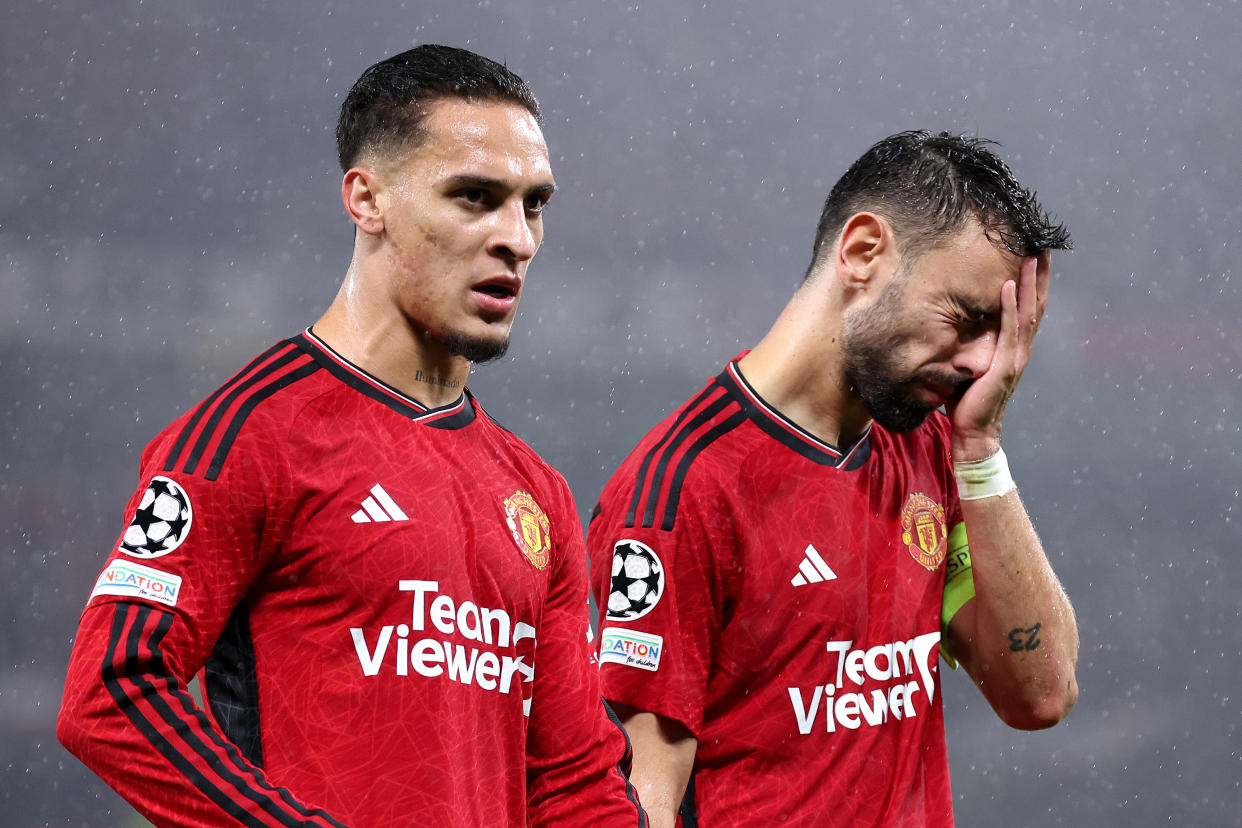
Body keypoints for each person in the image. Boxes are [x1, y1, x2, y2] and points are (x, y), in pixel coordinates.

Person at [57, 44, 647, 828]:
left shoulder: (535, 492)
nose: (518, 237)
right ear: (366, 200)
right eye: (474, 198)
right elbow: (114, 690)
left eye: (532, 204)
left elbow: (576, 786)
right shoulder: (251, 433)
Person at [587, 130, 1080, 827]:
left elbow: (1040, 693)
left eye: (998, 337)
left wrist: (980, 448)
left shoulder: (933, 449)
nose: (981, 364)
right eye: (966, 319)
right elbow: (645, 792)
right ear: (863, 253)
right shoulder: (685, 488)